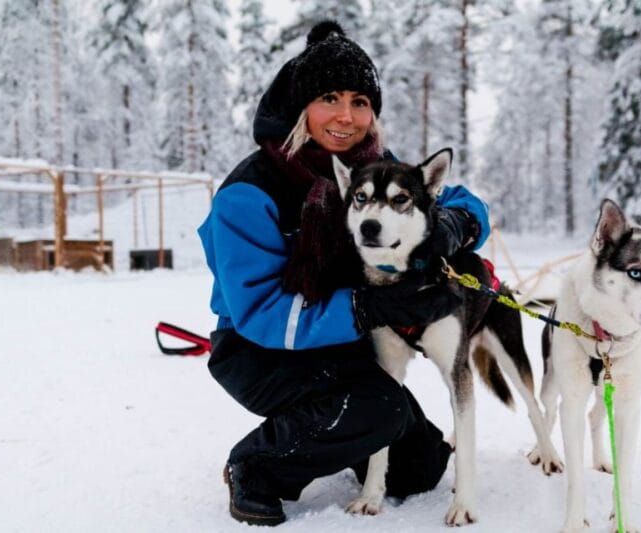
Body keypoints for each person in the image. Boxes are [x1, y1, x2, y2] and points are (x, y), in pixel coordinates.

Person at [197, 20, 491, 526]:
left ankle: (338, 427)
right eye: (329, 97)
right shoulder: (251, 191)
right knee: (378, 409)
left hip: (343, 341)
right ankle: (257, 465)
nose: (345, 115)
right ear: (299, 106)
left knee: (418, 468)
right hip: (260, 350)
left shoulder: (373, 167)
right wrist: (364, 306)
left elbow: (458, 198)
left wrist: (454, 223)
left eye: (360, 101)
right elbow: (260, 312)